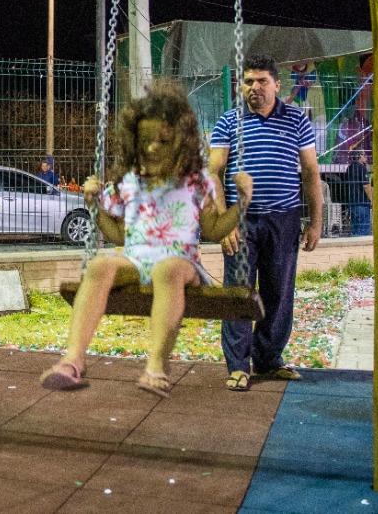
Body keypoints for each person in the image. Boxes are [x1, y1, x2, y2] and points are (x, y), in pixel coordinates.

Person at [40, 83, 252, 398]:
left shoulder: (197, 183)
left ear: (183, 142)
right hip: (137, 260)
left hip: (183, 264)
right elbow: (119, 235)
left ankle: (156, 367)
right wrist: (96, 208)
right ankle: (73, 361)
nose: (153, 148)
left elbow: (213, 231)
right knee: (100, 265)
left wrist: (241, 204)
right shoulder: (130, 184)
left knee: (166, 270)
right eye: (146, 141)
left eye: (164, 141)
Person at [209, 55, 323, 392]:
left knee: (279, 291)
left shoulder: (296, 121)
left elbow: (312, 172)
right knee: (239, 293)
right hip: (240, 220)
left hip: (284, 219)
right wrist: (223, 222)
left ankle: (269, 359)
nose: (254, 87)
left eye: (261, 81)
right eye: (248, 81)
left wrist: (315, 222)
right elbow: (213, 172)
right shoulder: (229, 121)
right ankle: (238, 365)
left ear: (276, 84)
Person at [344, 150, 372, 235]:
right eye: (364, 155)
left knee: (355, 229)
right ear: (359, 156)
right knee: (363, 229)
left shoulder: (349, 168)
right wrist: (372, 200)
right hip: (362, 202)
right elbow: (366, 186)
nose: (366, 157)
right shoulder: (362, 168)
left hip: (352, 202)